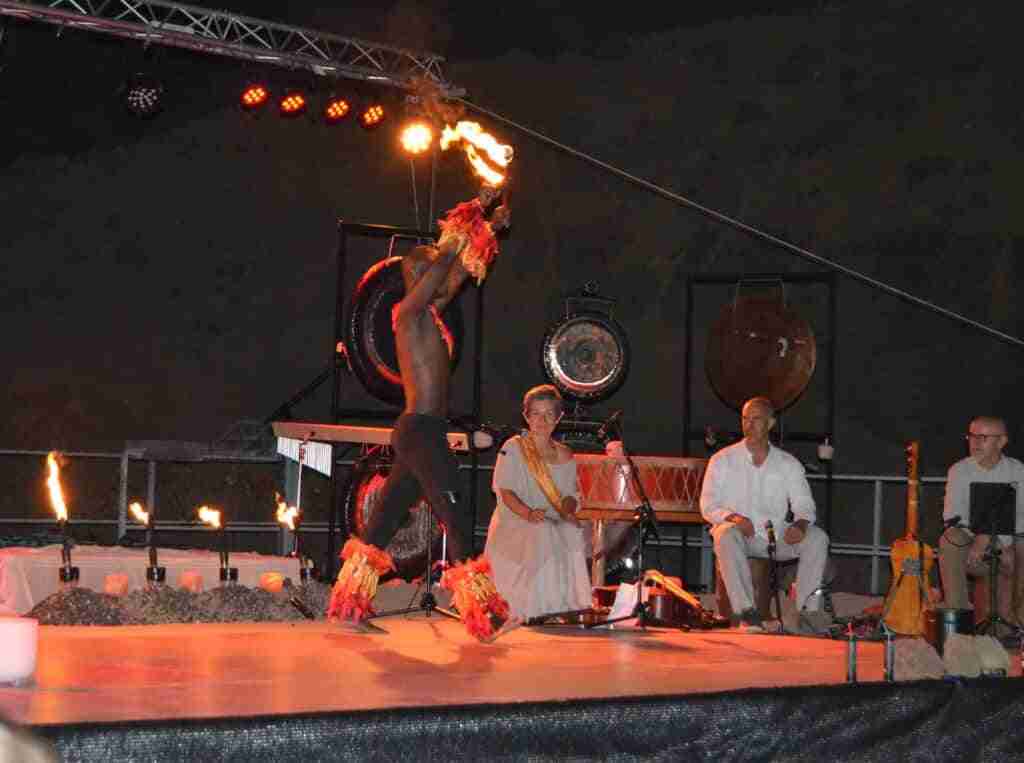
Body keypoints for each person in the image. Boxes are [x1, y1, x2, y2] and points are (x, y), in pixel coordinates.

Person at [328, 186, 513, 642]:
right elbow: (443, 270)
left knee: (381, 525)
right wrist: (473, 210)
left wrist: (488, 229)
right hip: (420, 432)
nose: (436, 272)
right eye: (427, 266)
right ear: (415, 274)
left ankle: (348, 610)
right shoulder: (406, 312)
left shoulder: (429, 314)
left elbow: (456, 275)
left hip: (419, 432)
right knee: (455, 513)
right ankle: (484, 616)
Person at [699, 396, 830, 632]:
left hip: (774, 537)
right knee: (724, 534)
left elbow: (804, 504)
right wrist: (735, 518)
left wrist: (799, 525)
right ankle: (747, 613)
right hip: (738, 535)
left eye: (756, 419)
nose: (749, 424)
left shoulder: (788, 463)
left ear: (770, 423)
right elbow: (707, 505)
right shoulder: (722, 460)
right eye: (745, 419)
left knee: (817, 538)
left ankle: (808, 613)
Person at [484, 385, 591, 621]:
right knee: (541, 530)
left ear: (559, 418)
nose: (542, 420)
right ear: (526, 416)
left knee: (570, 529)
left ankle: (562, 606)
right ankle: (532, 608)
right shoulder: (513, 447)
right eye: (536, 414)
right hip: (514, 520)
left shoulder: (565, 454)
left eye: (548, 414)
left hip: (548, 518)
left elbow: (571, 495)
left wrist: (568, 510)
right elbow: (505, 490)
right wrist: (528, 513)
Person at [938, 416, 1024, 614]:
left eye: (983, 437)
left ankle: (1019, 626)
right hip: (972, 548)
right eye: (971, 436)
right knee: (950, 539)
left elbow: (1021, 516)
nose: (975, 443)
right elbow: (952, 516)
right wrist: (982, 536)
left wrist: (1001, 544)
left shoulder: (1018, 471)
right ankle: (958, 617)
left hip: (1009, 547)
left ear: (1001, 441)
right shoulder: (959, 470)